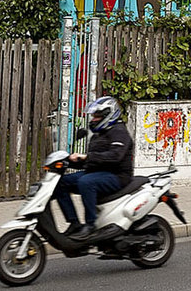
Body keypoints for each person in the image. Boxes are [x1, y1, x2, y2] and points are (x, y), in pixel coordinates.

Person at [54, 96, 133, 240]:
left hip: (117, 176)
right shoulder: (98, 135)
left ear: (108, 115)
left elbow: (115, 156)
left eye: (97, 116)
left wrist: (86, 157)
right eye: (93, 116)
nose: (93, 119)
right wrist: (69, 161)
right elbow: (92, 160)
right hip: (97, 172)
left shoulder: (119, 132)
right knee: (61, 183)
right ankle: (74, 223)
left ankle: (91, 225)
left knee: (87, 182)